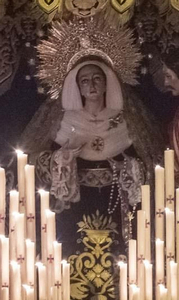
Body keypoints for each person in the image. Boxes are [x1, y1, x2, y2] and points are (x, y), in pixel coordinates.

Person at [19, 15, 164, 226]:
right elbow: (30, 161)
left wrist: (131, 168)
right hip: (72, 210)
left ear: (107, 83)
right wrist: (61, 159)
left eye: (97, 79)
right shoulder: (61, 120)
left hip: (117, 204)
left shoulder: (128, 120)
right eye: (84, 81)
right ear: (77, 87)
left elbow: (154, 163)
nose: (91, 85)